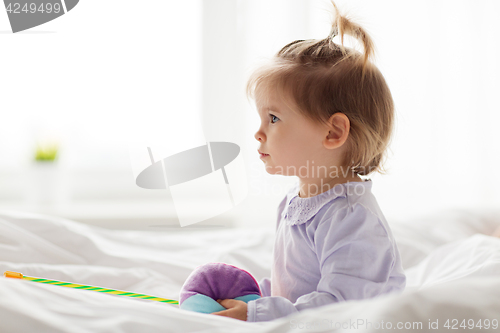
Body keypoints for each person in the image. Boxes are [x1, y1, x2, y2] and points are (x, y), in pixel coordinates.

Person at [212, 0, 406, 322]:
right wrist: (252, 297)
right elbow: (295, 286)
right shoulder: (296, 200)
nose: (259, 133)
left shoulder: (352, 219)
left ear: (333, 132)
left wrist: (258, 314)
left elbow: (340, 307)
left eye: (273, 118)